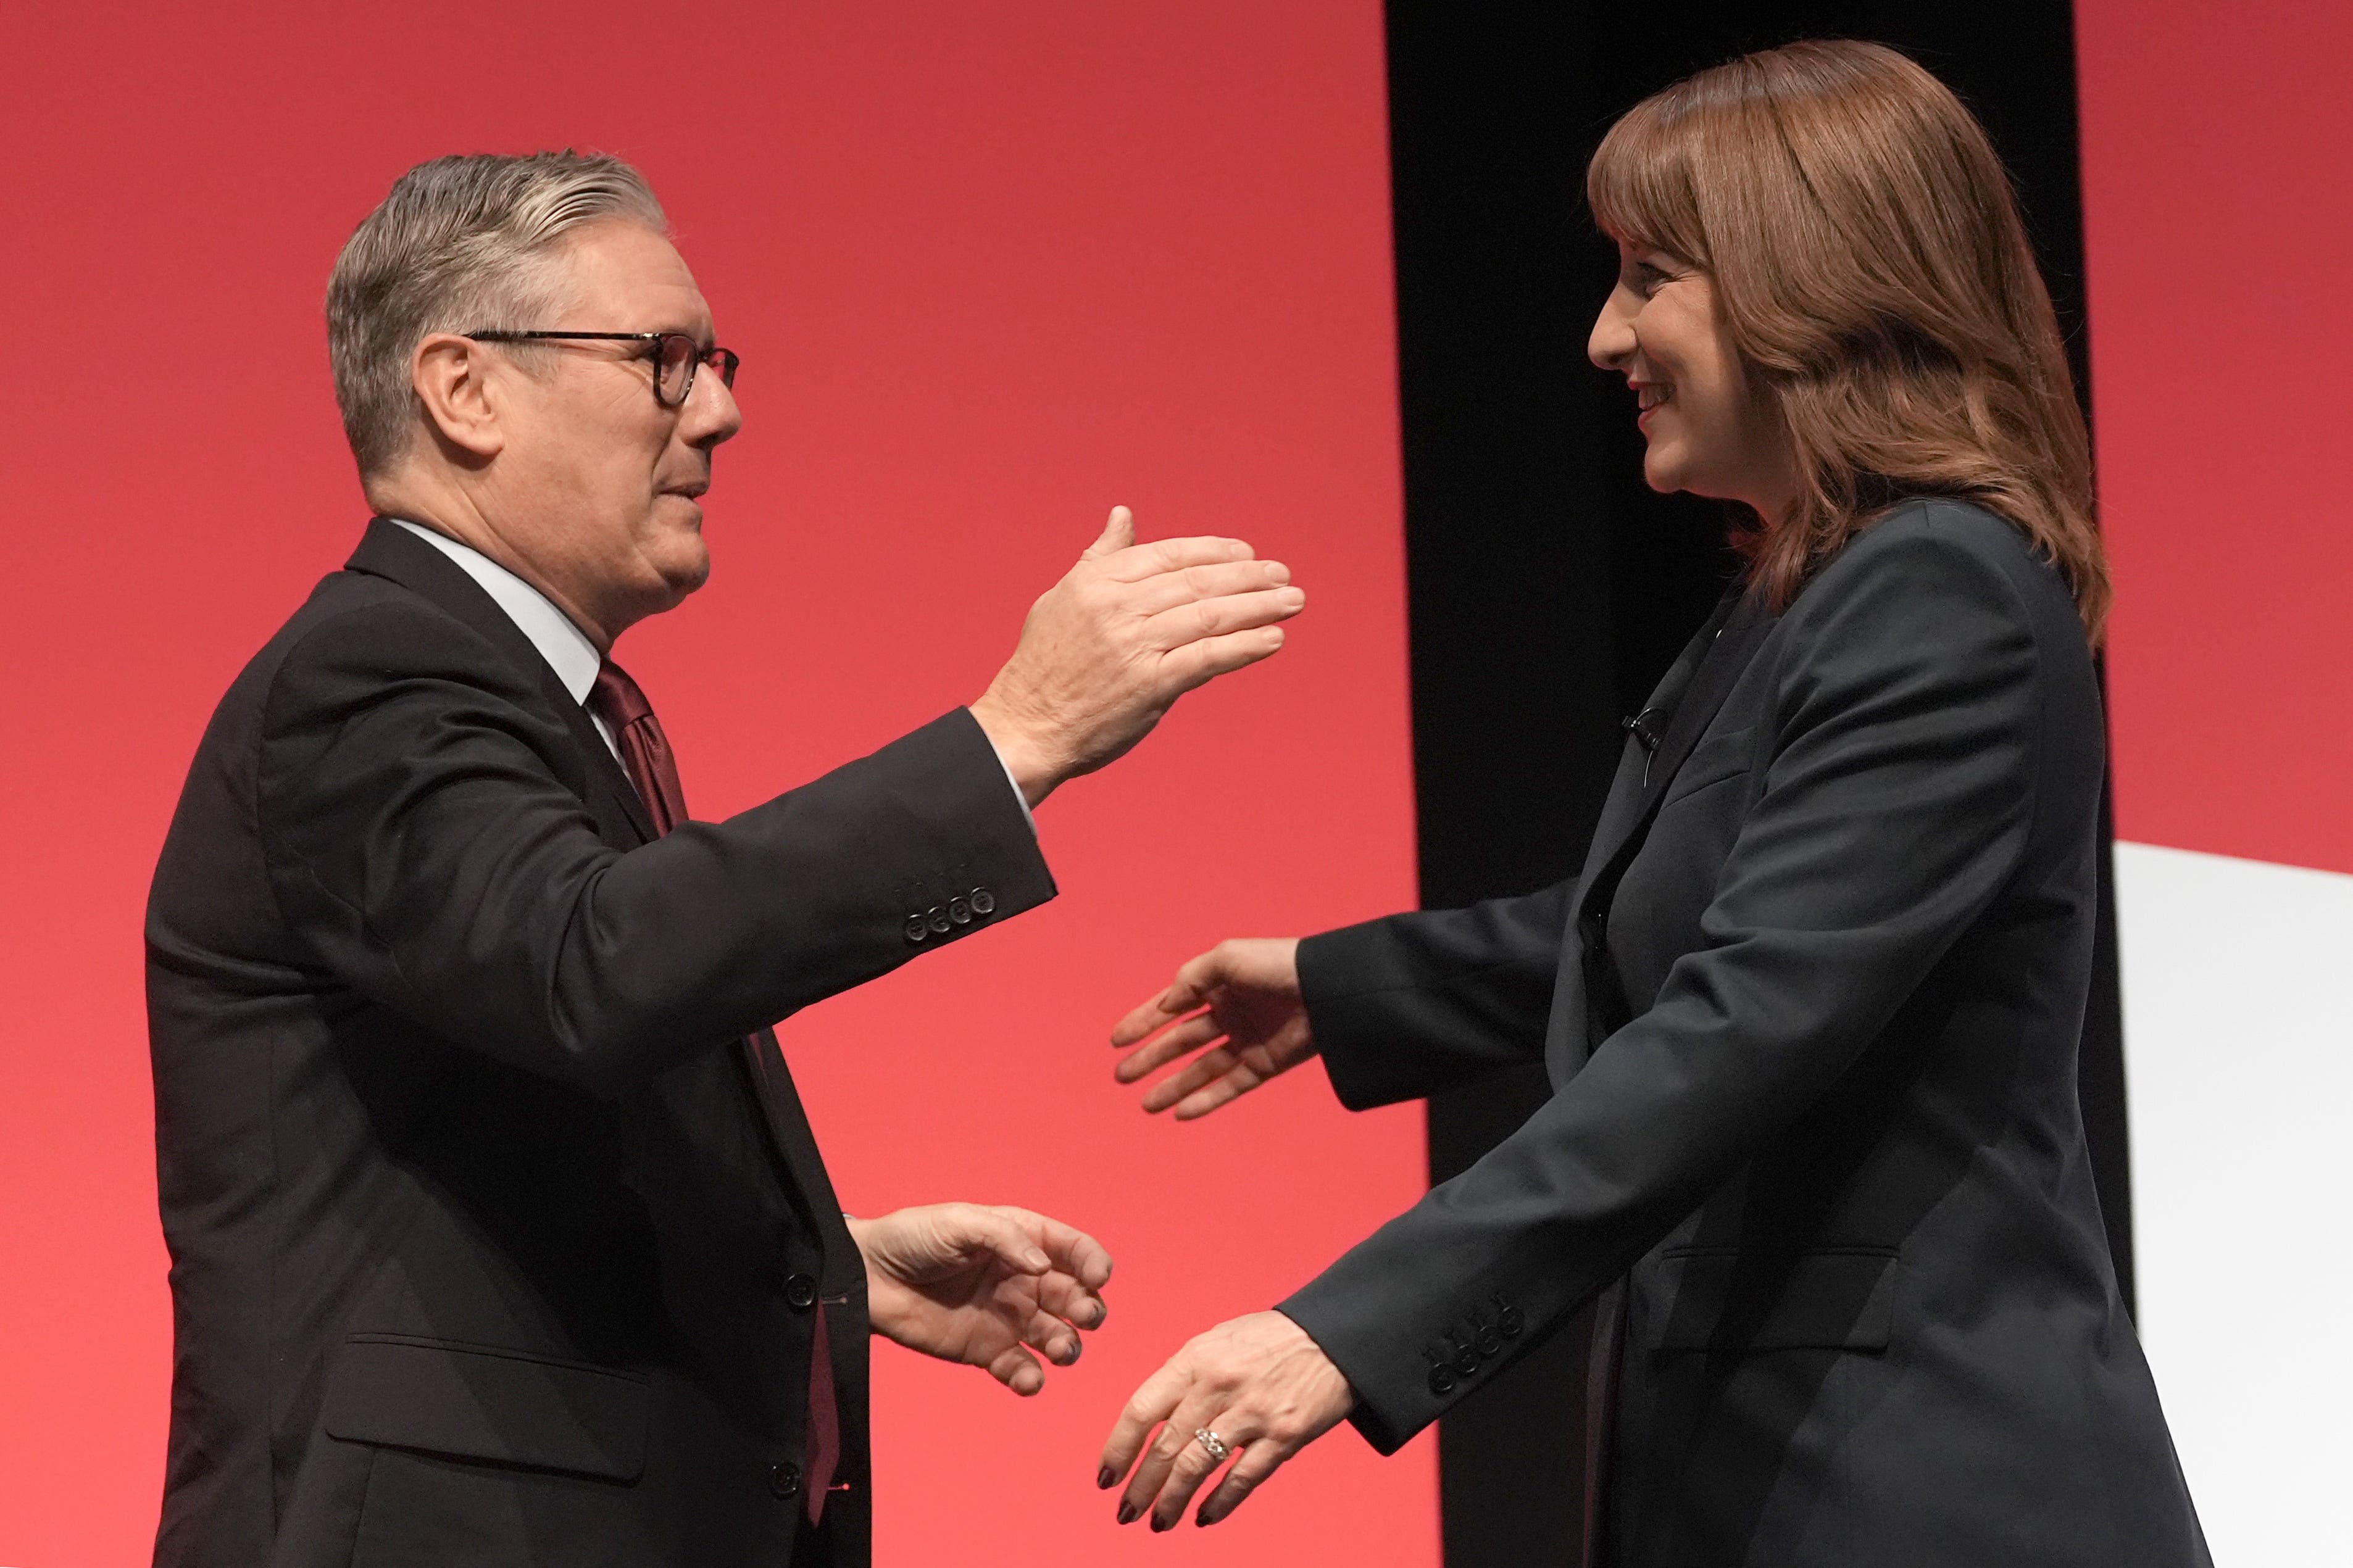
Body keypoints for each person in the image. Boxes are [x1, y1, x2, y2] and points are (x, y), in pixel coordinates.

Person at [1096, 40, 2210, 1566]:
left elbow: (1746, 1018)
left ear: (1811, 284)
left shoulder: (1934, 591)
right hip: (1778, 1482)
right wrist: (1352, 989)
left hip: (1926, 1495)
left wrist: (1340, 1331)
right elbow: (1715, 916)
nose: (1605, 335)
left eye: (1652, 278)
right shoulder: (1807, 591)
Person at [145, 151, 1305, 1568]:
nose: (724, 410)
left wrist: (824, 1263)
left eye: (715, 360)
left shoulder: (521, 695)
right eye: (663, 360)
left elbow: (487, 1120)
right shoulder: (369, 678)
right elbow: (591, 964)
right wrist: (1020, 734)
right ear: (464, 389)